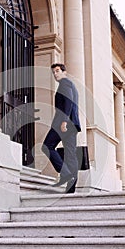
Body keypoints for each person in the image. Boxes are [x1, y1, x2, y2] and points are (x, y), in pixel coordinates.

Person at [42, 63, 81, 193]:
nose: (55, 74)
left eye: (57, 71)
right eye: (53, 72)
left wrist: (64, 121)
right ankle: (71, 187)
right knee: (70, 155)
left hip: (63, 123)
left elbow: (68, 101)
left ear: (64, 72)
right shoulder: (71, 85)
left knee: (47, 146)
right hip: (72, 124)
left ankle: (65, 174)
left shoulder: (65, 83)